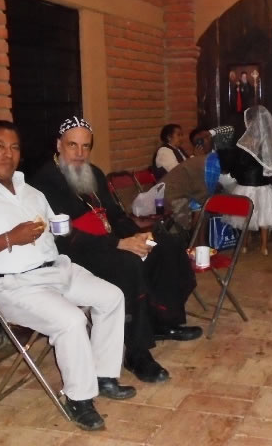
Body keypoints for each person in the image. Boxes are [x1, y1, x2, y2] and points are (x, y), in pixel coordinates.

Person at [0, 120, 135, 431]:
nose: (8, 154)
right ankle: (79, 398)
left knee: (112, 296)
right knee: (71, 320)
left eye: (14, 148)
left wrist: (66, 229)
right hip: (13, 285)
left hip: (55, 270)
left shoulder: (29, 191)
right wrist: (10, 238)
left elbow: (56, 227)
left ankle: (103, 375)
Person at [31, 116, 202, 385]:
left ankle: (164, 321)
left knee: (165, 246)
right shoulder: (44, 182)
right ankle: (137, 352)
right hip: (75, 253)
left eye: (86, 146)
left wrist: (137, 235)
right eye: (73, 145)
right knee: (128, 264)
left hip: (109, 241)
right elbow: (63, 237)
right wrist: (119, 244)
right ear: (59, 145)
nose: (80, 153)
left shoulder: (94, 173)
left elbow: (115, 216)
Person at [224, 105, 272, 256]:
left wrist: (236, 172)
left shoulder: (245, 142)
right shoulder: (269, 141)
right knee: (264, 216)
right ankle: (264, 246)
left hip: (246, 185)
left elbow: (239, 164)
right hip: (263, 185)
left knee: (245, 216)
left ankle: (245, 244)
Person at [162, 126, 235, 231]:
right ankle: (197, 237)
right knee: (201, 205)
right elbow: (185, 178)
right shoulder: (195, 160)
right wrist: (196, 157)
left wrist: (210, 132)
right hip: (196, 197)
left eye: (205, 138)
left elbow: (230, 129)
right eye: (199, 141)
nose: (203, 142)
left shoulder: (217, 152)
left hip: (219, 192)